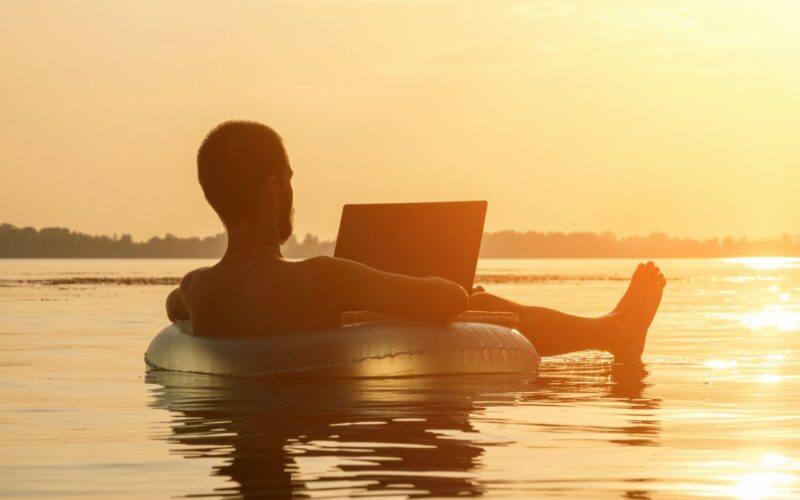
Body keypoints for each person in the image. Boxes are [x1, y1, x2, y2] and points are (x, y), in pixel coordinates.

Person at [166, 121, 665, 360]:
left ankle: (614, 330)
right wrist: (406, 286)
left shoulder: (197, 291)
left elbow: (175, 307)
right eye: (290, 179)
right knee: (477, 300)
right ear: (274, 189)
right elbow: (448, 299)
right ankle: (614, 333)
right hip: (346, 419)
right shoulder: (321, 277)